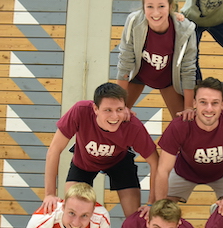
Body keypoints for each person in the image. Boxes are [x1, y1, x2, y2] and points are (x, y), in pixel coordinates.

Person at [39, 82, 159, 218]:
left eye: (119, 109)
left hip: (120, 161)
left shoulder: (132, 126)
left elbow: (155, 162)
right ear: (95, 109)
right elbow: (54, 149)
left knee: (135, 219)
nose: (114, 116)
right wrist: (49, 194)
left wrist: (151, 203)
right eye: (108, 110)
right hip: (84, 161)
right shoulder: (80, 111)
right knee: (74, 211)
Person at [155, 77, 223, 204]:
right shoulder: (180, 125)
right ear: (194, 103)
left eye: (215, 103)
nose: (209, 109)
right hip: (183, 172)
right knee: (163, 205)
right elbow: (163, 169)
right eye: (203, 102)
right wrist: (159, 208)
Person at [116, 0, 197, 120]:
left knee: (185, 122)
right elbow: (125, 62)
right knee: (117, 114)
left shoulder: (185, 30)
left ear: (170, 6)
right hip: (138, 75)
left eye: (161, 6)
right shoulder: (134, 22)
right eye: (149, 6)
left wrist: (189, 107)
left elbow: (188, 70)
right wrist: (118, 105)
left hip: (168, 80)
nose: (155, 12)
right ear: (143, 7)